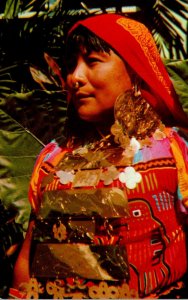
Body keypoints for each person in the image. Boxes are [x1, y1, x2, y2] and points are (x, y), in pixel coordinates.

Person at [10, 13, 188, 299]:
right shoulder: (53, 158)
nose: (74, 77)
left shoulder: (175, 151)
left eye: (92, 62)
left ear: (135, 71)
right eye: (71, 66)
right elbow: (28, 257)